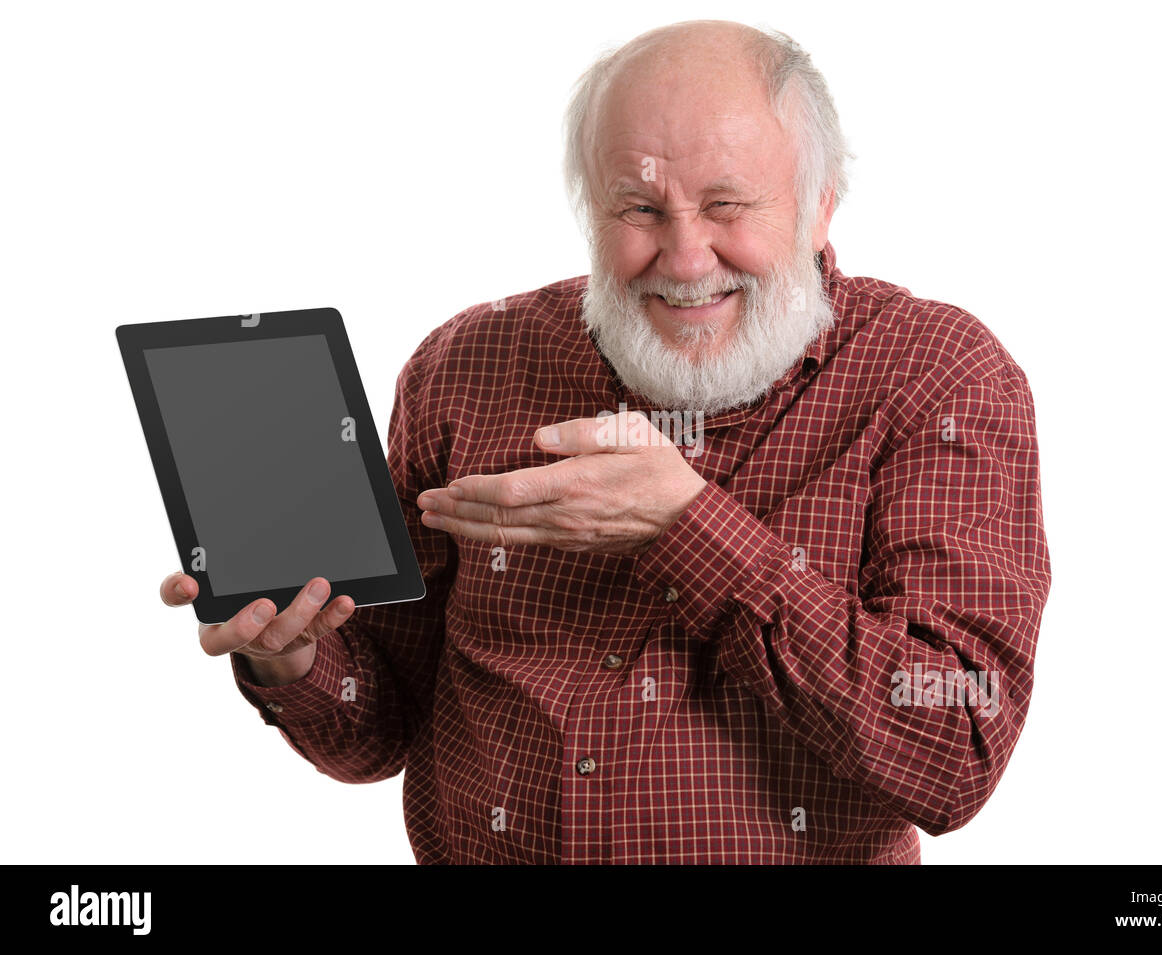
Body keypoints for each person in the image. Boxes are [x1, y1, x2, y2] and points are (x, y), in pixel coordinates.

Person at [159, 19, 1051, 864]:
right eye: (640, 208)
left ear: (820, 205)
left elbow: (957, 745)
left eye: (726, 203)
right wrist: (297, 656)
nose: (686, 256)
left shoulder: (937, 373)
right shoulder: (466, 364)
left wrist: (687, 527)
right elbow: (383, 728)